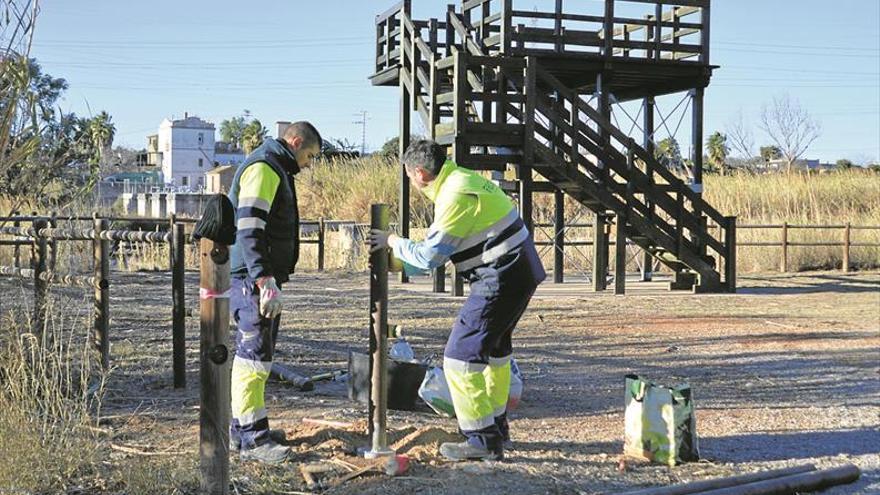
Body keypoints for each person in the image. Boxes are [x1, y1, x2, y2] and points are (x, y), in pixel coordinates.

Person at [370, 139, 546, 461]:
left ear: (420, 173)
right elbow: (442, 251)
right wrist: (401, 261)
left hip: (501, 275)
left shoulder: (454, 195)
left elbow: (429, 257)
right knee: (495, 353)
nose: (411, 182)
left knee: (460, 358)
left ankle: (480, 441)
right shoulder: (463, 179)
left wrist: (393, 241)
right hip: (520, 271)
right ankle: (495, 428)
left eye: (410, 177)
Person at [227, 121, 322, 463]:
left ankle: (246, 428)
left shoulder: (274, 167)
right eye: (309, 155)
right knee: (253, 356)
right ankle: (253, 440)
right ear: (295, 142)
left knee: (256, 355)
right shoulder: (265, 168)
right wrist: (263, 279)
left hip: (255, 276)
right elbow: (250, 227)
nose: (309, 163)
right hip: (252, 279)